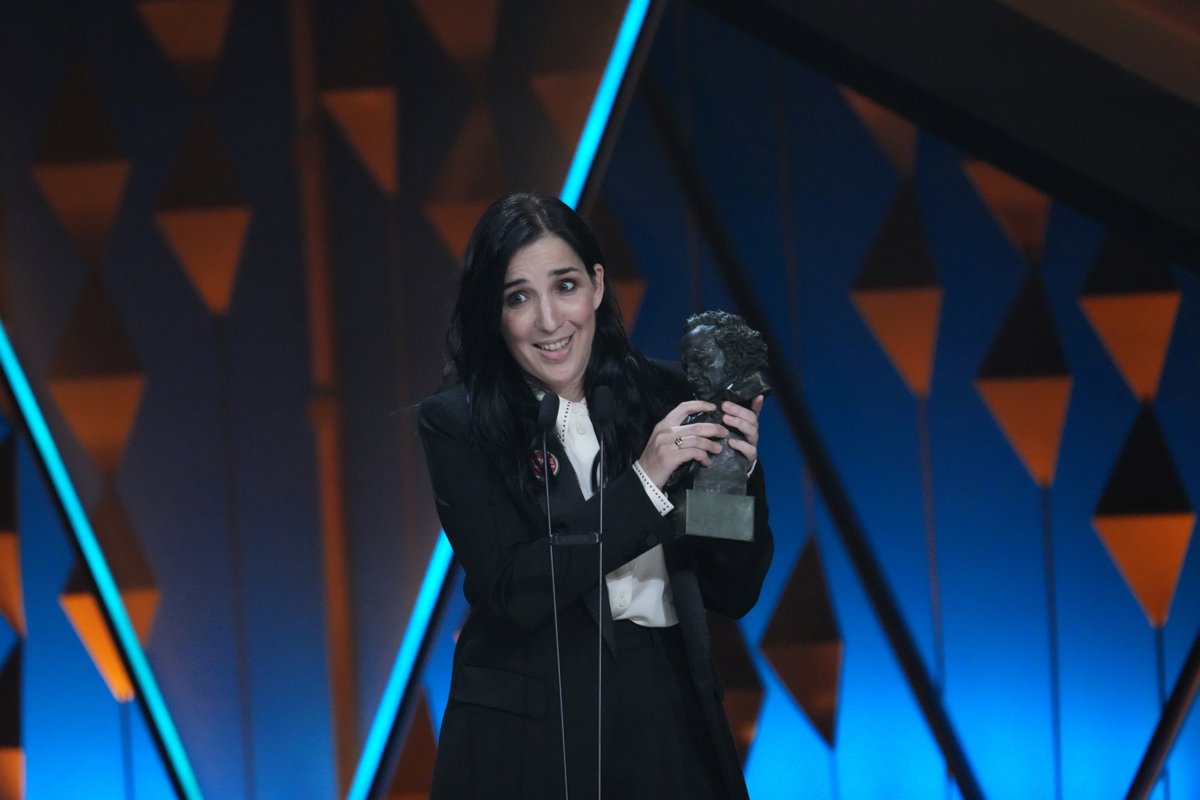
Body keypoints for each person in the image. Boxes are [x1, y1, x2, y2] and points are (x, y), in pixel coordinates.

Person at [418, 192, 773, 800]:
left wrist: (732, 477)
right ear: (494, 312)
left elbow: (732, 591)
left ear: (598, 286)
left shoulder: (667, 397)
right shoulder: (459, 424)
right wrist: (644, 483)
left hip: (669, 710)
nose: (549, 321)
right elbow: (515, 590)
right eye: (518, 298)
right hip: (535, 733)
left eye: (565, 286)